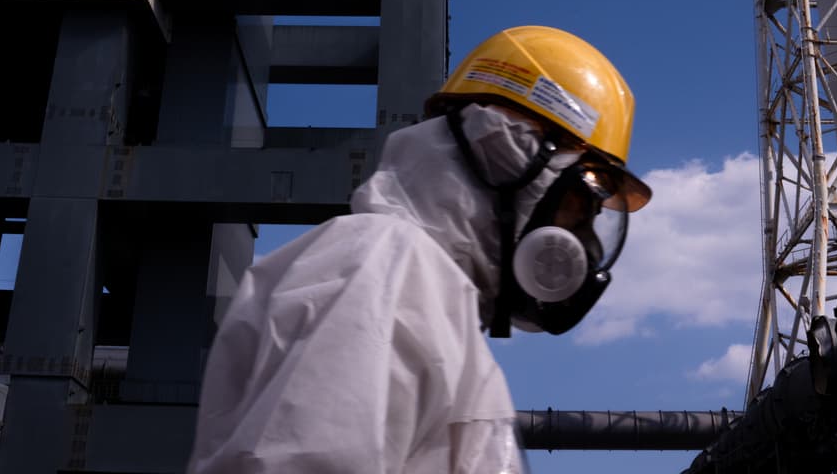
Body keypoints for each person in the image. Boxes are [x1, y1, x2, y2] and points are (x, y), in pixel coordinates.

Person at [187, 26, 654, 474]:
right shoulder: (380, 267)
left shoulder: (427, 294)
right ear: (507, 153)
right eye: (579, 210)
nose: (582, 244)